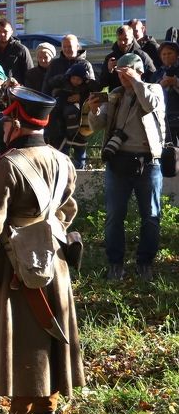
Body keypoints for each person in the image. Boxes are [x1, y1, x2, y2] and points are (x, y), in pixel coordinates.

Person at [0, 86, 84, 414]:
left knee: (23, 337)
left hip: (16, 264)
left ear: (18, 123)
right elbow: (67, 209)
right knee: (50, 330)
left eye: (7, 120)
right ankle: (48, 405)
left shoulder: (8, 166)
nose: (3, 126)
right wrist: (46, 232)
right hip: (54, 260)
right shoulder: (62, 160)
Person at [88, 52, 167, 281]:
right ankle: (115, 263)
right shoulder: (115, 95)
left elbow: (149, 105)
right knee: (114, 216)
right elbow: (98, 125)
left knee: (151, 216)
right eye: (119, 73)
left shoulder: (154, 90)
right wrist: (94, 110)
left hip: (148, 162)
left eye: (126, 72)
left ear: (138, 71)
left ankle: (145, 262)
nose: (122, 78)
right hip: (118, 162)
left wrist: (136, 81)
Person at [53, 64, 97, 169]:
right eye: (73, 78)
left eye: (79, 79)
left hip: (82, 129)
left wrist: (81, 98)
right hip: (65, 130)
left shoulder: (87, 91)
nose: (75, 81)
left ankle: (79, 171)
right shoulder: (63, 90)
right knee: (62, 159)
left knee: (80, 159)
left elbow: (96, 91)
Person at [99, 24, 156, 91]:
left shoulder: (141, 56)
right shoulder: (110, 58)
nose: (122, 42)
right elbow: (102, 84)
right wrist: (108, 70)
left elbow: (153, 77)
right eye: (119, 39)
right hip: (118, 98)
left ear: (132, 38)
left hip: (137, 97)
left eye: (125, 39)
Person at [152, 40, 179, 145]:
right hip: (164, 117)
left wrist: (176, 82)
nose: (166, 56)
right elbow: (150, 92)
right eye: (163, 54)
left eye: (170, 53)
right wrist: (160, 86)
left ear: (177, 54)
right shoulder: (158, 73)